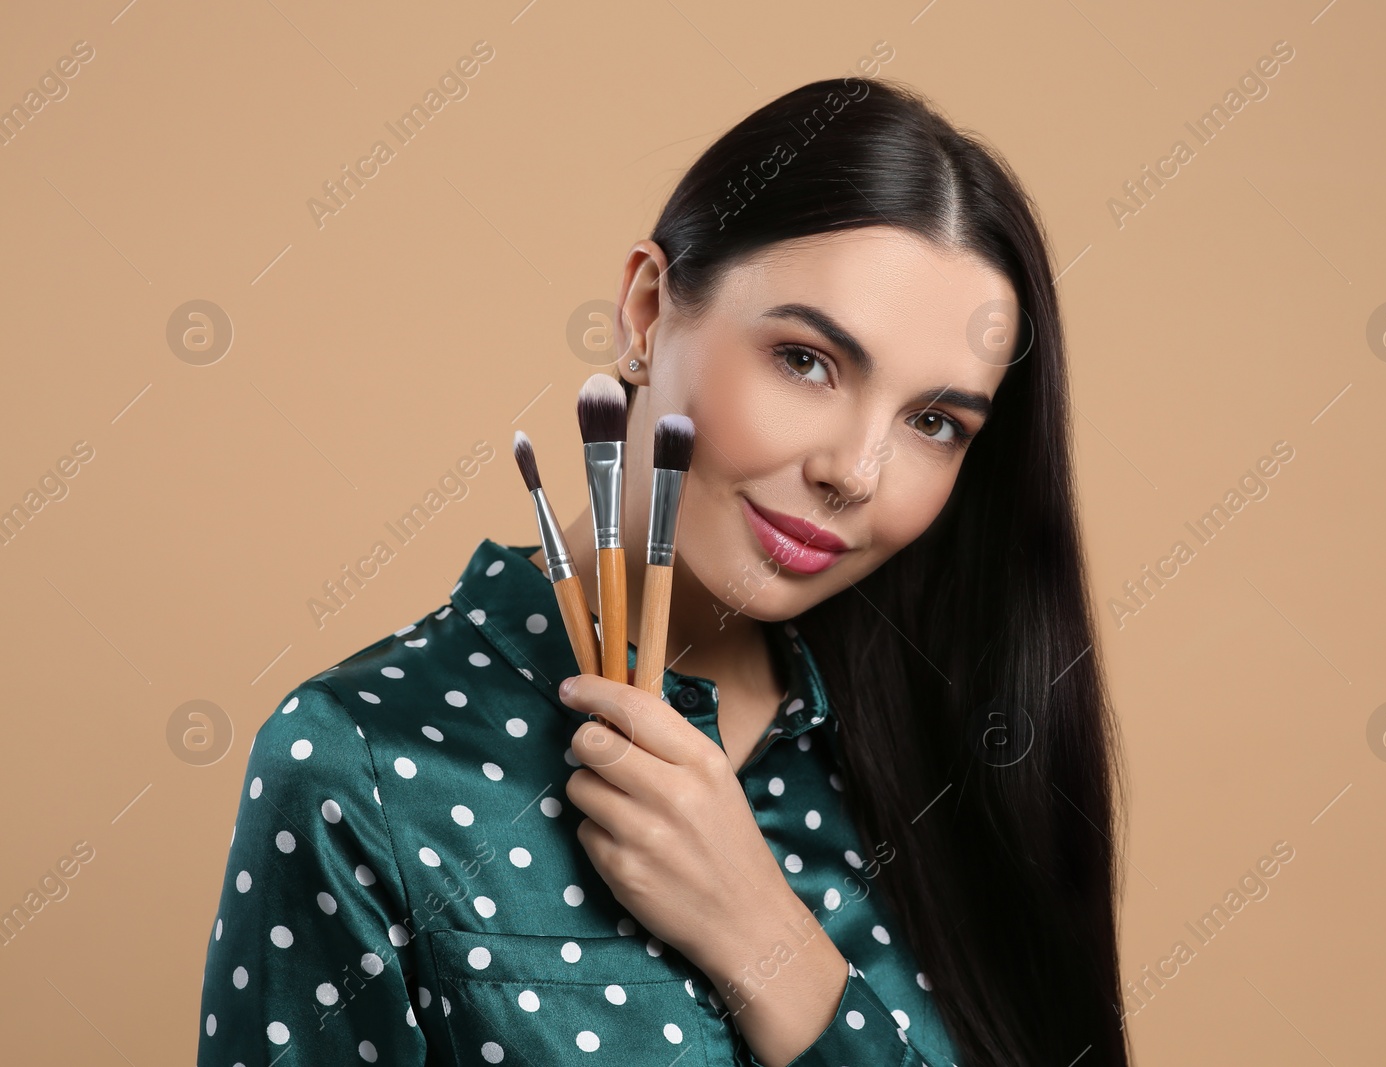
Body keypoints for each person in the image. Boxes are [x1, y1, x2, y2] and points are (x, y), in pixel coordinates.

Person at [198, 76, 1130, 1066]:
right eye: (807, 360)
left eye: (933, 422)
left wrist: (768, 944)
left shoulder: (953, 754)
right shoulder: (365, 765)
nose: (855, 472)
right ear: (646, 309)